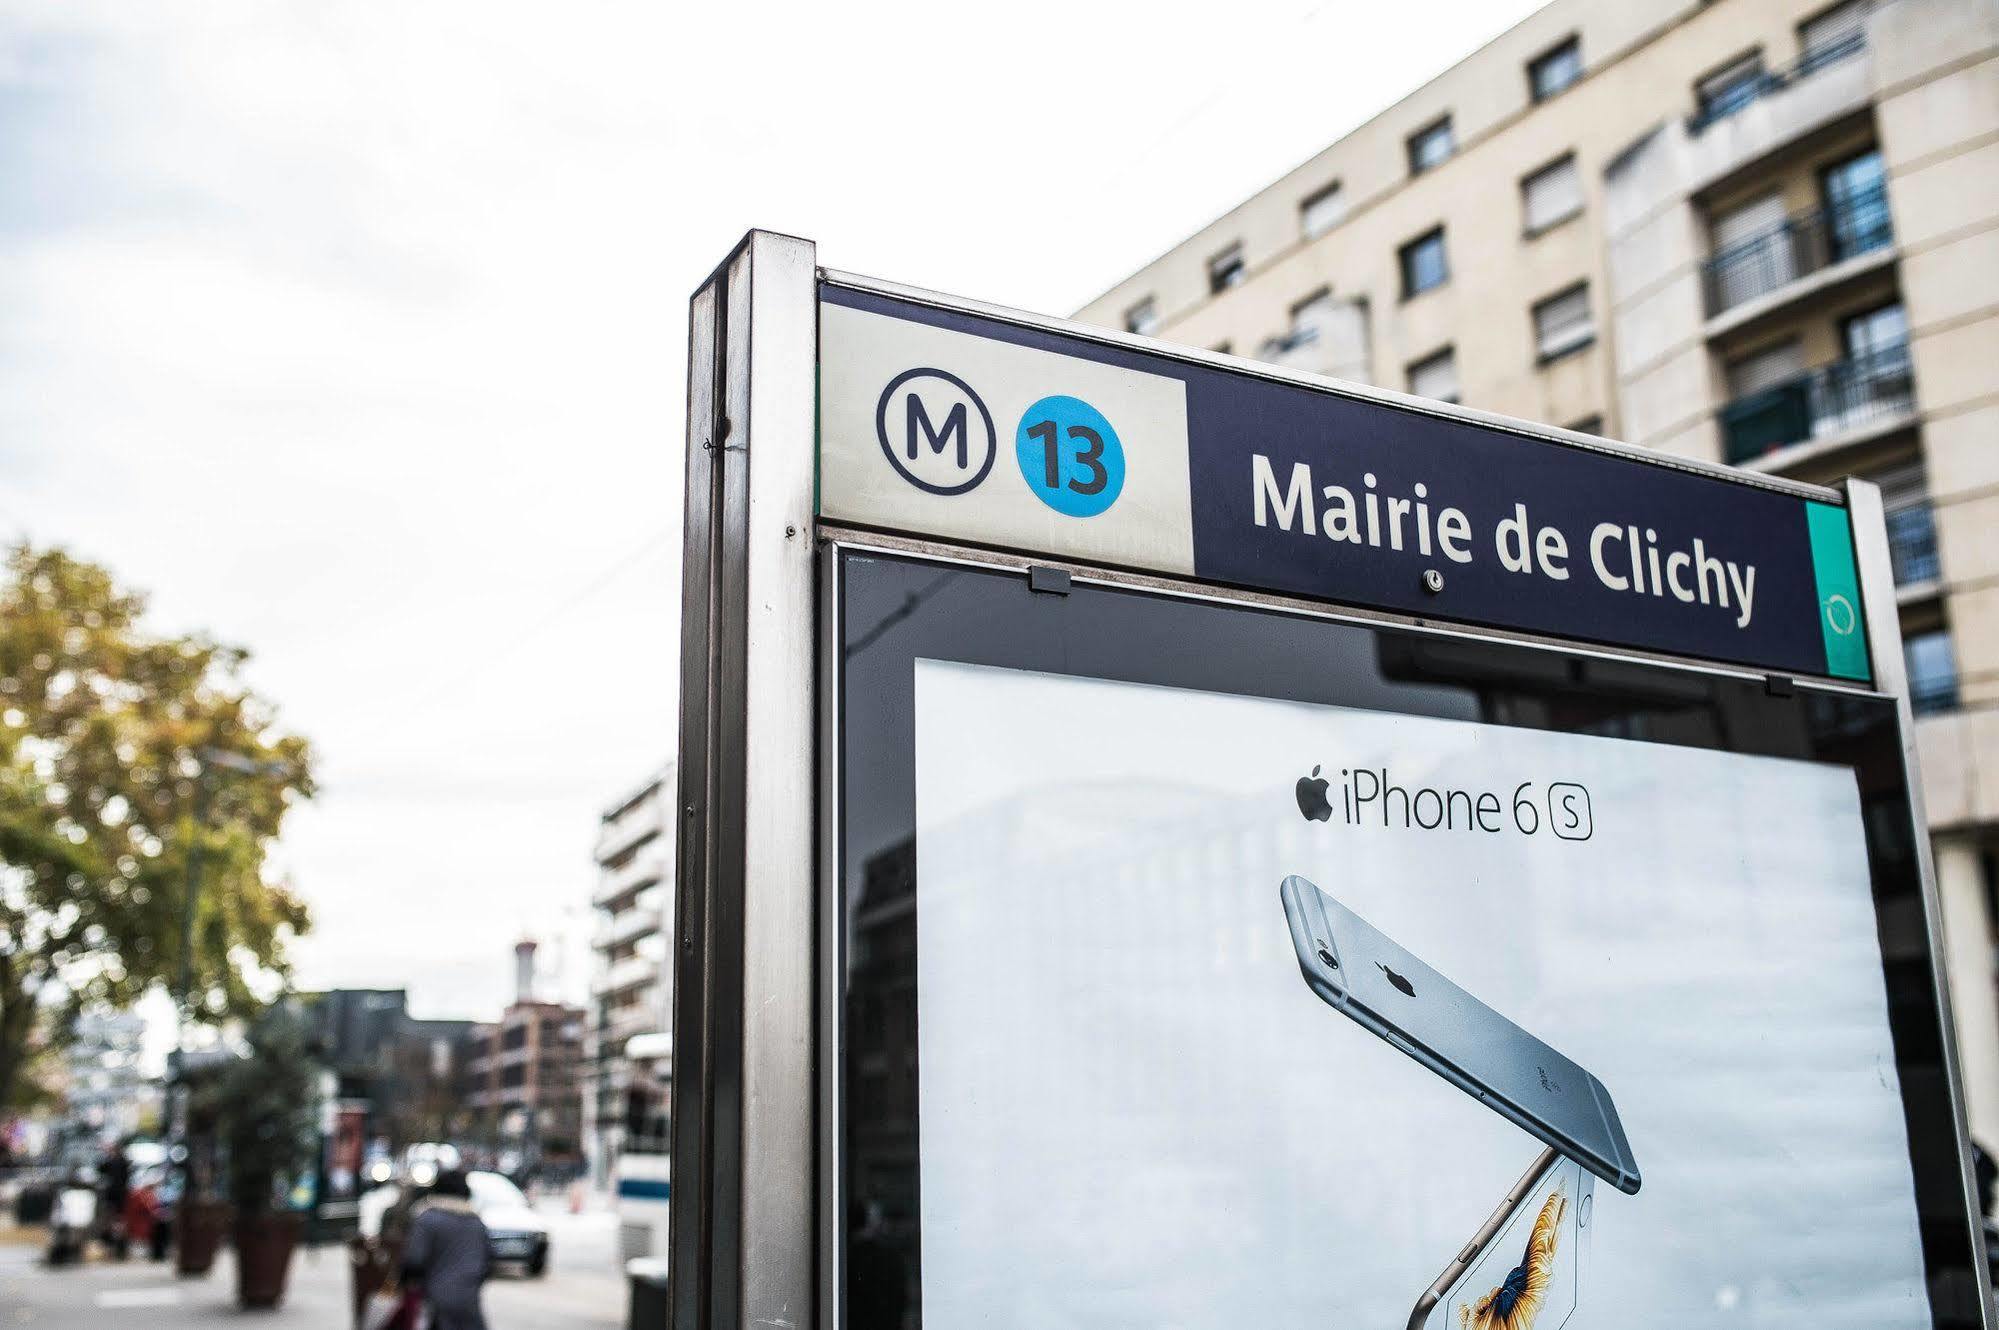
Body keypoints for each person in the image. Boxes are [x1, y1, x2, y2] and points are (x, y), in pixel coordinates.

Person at [400, 1167, 492, 1330]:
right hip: (469, 1300)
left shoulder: (428, 1219)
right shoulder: (476, 1222)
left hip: (434, 1302)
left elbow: (414, 1259)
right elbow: (488, 1262)